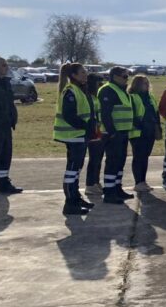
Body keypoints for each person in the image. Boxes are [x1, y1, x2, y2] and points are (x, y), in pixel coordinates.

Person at [52, 63, 96, 215]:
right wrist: (85, 126)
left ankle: (76, 197)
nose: (86, 75)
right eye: (82, 72)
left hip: (80, 136)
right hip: (73, 135)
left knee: (76, 170)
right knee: (72, 170)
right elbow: (69, 114)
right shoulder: (70, 91)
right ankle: (70, 203)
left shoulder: (79, 89)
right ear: (74, 75)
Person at [0, 56, 22, 199]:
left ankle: (4, 183)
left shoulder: (6, 83)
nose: (5, 68)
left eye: (6, 65)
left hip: (6, 126)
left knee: (5, 155)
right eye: (2, 65)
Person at [98, 66, 135, 203]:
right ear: (115, 76)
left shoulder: (121, 90)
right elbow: (105, 114)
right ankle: (109, 192)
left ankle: (117, 188)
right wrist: (112, 132)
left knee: (120, 162)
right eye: (125, 76)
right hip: (113, 133)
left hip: (123, 132)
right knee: (112, 162)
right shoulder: (108, 90)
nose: (127, 79)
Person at [129, 75, 161, 192]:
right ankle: (138, 182)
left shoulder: (150, 97)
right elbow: (131, 115)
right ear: (137, 84)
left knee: (145, 157)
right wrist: (141, 126)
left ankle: (143, 181)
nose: (147, 85)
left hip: (150, 131)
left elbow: (155, 113)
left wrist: (158, 128)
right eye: (144, 83)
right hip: (138, 133)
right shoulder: (132, 97)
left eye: (147, 83)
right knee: (138, 157)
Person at [84, 73, 105, 195]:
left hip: (98, 131)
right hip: (92, 132)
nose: (100, 85)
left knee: (98, 158)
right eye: (99, 83)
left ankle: (96, 181)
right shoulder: (89, 97)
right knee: (94, 158)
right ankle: (90, 184)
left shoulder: (95, 97)